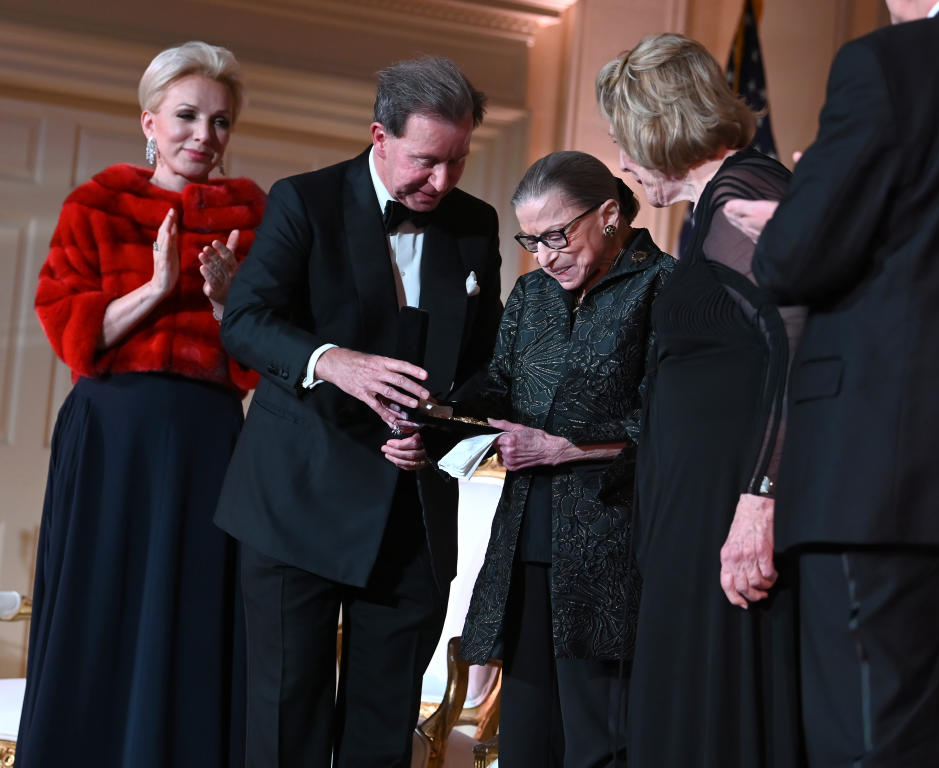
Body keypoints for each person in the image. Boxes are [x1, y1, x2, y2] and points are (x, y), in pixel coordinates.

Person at [213, 56, 502, 767]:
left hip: (411, 516)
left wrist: (437, 437)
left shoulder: (475, 225)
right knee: (286, 728)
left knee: (383, 734)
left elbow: (486, 366)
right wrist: (331, 360)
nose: (441, 182)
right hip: (295, 502)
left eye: (457, 163)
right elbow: (245, 321)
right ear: (379, 135)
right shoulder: (303, 201)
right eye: (426, 162)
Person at [722, 1, 939, 764]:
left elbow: (801, 257)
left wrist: (785, 222)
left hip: (881, 469)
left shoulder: (893, 61)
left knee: (869, 737)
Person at [20, 41, 264, 767]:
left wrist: (226, 303)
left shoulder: (253, 213)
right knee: (99, 604)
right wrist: (154, 291)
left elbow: (263, 358)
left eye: (220, 123)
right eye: (187, 116)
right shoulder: (95, 203)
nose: (204, 136)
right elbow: (69, 331)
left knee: (190, 614)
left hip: (208, 439)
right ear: (149, 121)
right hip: (112, 433)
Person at [596, 34, 806, 767]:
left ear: (658, 127)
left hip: (729, 509)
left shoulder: (743, 196)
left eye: (623, 139)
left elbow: (799, 342)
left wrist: (762, 497)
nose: (621, 162)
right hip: (696, 513)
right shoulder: (717, 206)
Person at [457, 150, 673, 767]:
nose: (545, 255)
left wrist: (564, 448)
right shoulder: (532, 294)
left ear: (608, 214)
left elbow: (670, 421)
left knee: (599, 743)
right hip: (527, 542)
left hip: (613, 555)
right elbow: (497, 384)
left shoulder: (665, 286)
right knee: (527, 745)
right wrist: (441, 408)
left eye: (557, 235)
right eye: (532, 239)